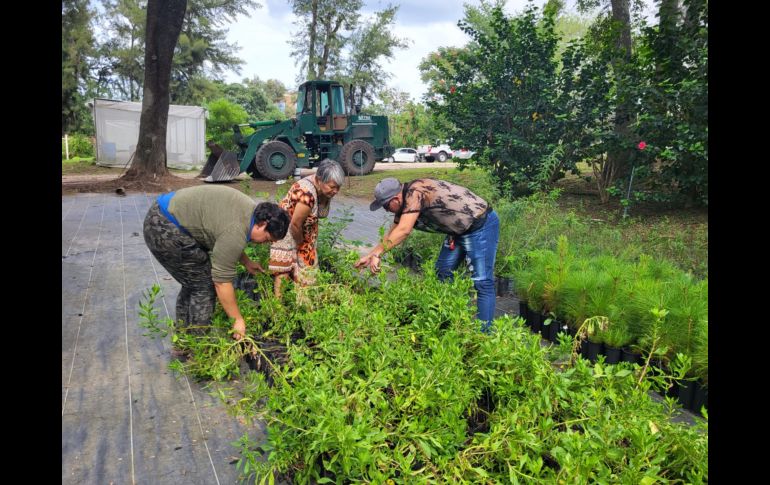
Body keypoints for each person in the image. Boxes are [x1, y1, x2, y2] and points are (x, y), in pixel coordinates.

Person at [143, 185, 289, 340]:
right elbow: (222, 282)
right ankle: (197, 346)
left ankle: (184, 336)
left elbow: (226, 237)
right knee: (203, 286)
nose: (265, 244)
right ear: (262, 224)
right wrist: (237, 320)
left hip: (163, 212)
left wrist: (246, 262)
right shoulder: (235, 231)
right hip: (164, 227)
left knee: (193, 281)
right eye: (267, 239)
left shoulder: (249, 211)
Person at [355, 178, 500, 331]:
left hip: (479, 225)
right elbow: (395, 230)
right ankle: (449, 322)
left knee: (482, 282)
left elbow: (404, 231)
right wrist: (371, 254)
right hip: (457, 230)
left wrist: (378, 254)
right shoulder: (404, 200)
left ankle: (484, 335)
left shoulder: (414, 193)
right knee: (443, 273)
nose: (385, 210)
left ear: (396, 198)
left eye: (385, 206)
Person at [269, 159, 344, 297]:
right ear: (319, 179)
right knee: (284, 270)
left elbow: (320, 213)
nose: (336, 191)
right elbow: (295, 224)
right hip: (286, 231)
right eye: (332, 187)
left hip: (302, 232)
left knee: (307, 271)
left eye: (338, 187)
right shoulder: (306, 194)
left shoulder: (321, 188)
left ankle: (302, 305)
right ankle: (278, 309)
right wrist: (300, 244)